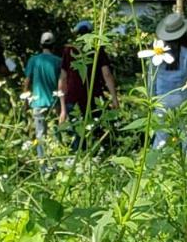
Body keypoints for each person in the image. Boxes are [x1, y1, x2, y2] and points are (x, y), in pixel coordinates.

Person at [58, 19, 119, 149]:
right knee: (99, 134)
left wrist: (62, 109)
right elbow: (106, 74)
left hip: (72, 99)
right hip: (93, 99)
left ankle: (79, 162)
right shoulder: (97, 49)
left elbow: (62, 78)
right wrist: (114, 99)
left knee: (79, 136)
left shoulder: (69, 50)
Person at [147, 12, 187, 151]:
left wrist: (151, 100)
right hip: (183, 101)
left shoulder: (156, 54)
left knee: (160, 137)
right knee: (186, 136)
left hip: (161, 100)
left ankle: (155, 167)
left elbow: (151, 81)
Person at [24, 31, 64, 166]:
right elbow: (61, 84)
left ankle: (43, 167)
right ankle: (56, 166)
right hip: (54, 104)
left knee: (40, 136)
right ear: (54, 45)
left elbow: (27, 82)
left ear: (40, 45)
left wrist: (25, 101)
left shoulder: (33, 60)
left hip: (37, 103)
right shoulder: (59, 61)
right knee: (56, 136)